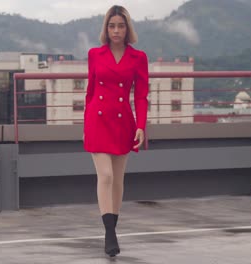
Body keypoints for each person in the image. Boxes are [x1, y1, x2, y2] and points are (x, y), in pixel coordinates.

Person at [83, 5, 149, 258]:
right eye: (112, 26)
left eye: (121, 26)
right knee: (107, 176)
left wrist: (141, 125)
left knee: (119, 181)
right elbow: (89, 92)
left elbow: (141, 95)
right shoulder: (95, 54)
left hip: (124, 123)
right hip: (97, 121)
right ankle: (109, 234)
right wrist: (84, 126)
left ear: (127, 28)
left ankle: (112, 229)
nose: (116, 30)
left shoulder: (138, 57)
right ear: (106, 29)